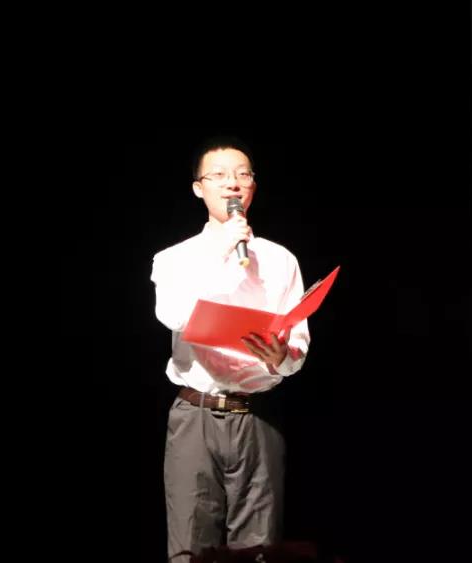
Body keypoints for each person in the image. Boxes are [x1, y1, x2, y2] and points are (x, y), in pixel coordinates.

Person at [150, 136, 310, 560]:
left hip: (258, 415)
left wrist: (284, 358)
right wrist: (220, 252)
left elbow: (297, 339)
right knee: (190, 548)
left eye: (242, 175)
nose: (232, 183)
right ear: (198, 188)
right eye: (218, 175)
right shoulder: (174, 258)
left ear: (253, 186)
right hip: (196, 413)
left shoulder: (281, 260)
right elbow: (175, 316)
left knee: (259, 549)